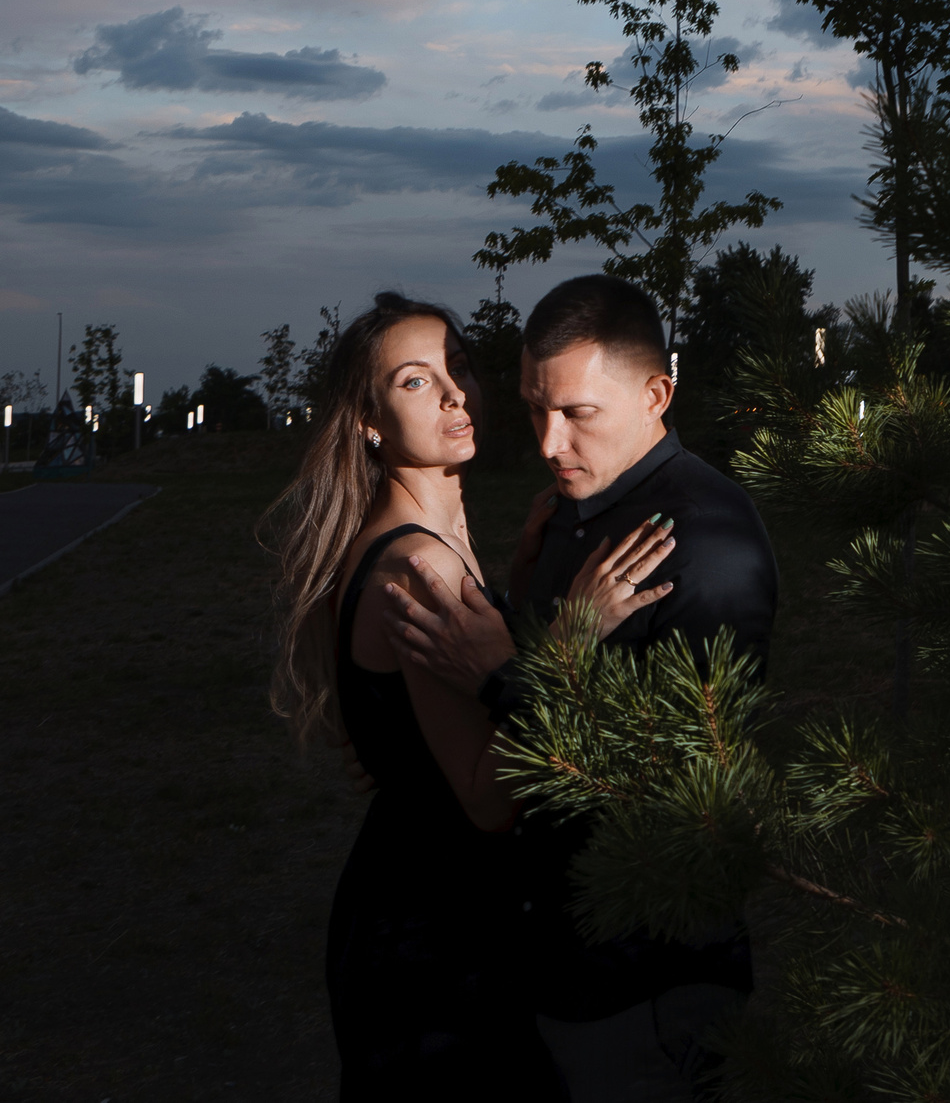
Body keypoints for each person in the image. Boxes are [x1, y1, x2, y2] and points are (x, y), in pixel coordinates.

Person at [266, 290, 675, 1100]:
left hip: (426, 906)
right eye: (416, 381)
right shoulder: (419, 566)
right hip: (435, 947)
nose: (455, 392)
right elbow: (490, 800)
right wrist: (570, 638)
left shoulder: (427, 538)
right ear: (368, 421)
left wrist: (515, 591)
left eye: (457, 366)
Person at [384, 273, 780, 1101]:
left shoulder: (702, 542)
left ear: (656, 392)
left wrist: (504, 679)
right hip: (557, 962)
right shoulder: (577, 505)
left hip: (649, 981)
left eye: (576, 414)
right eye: (535, 408)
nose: (547, 440)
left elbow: (683, 790)